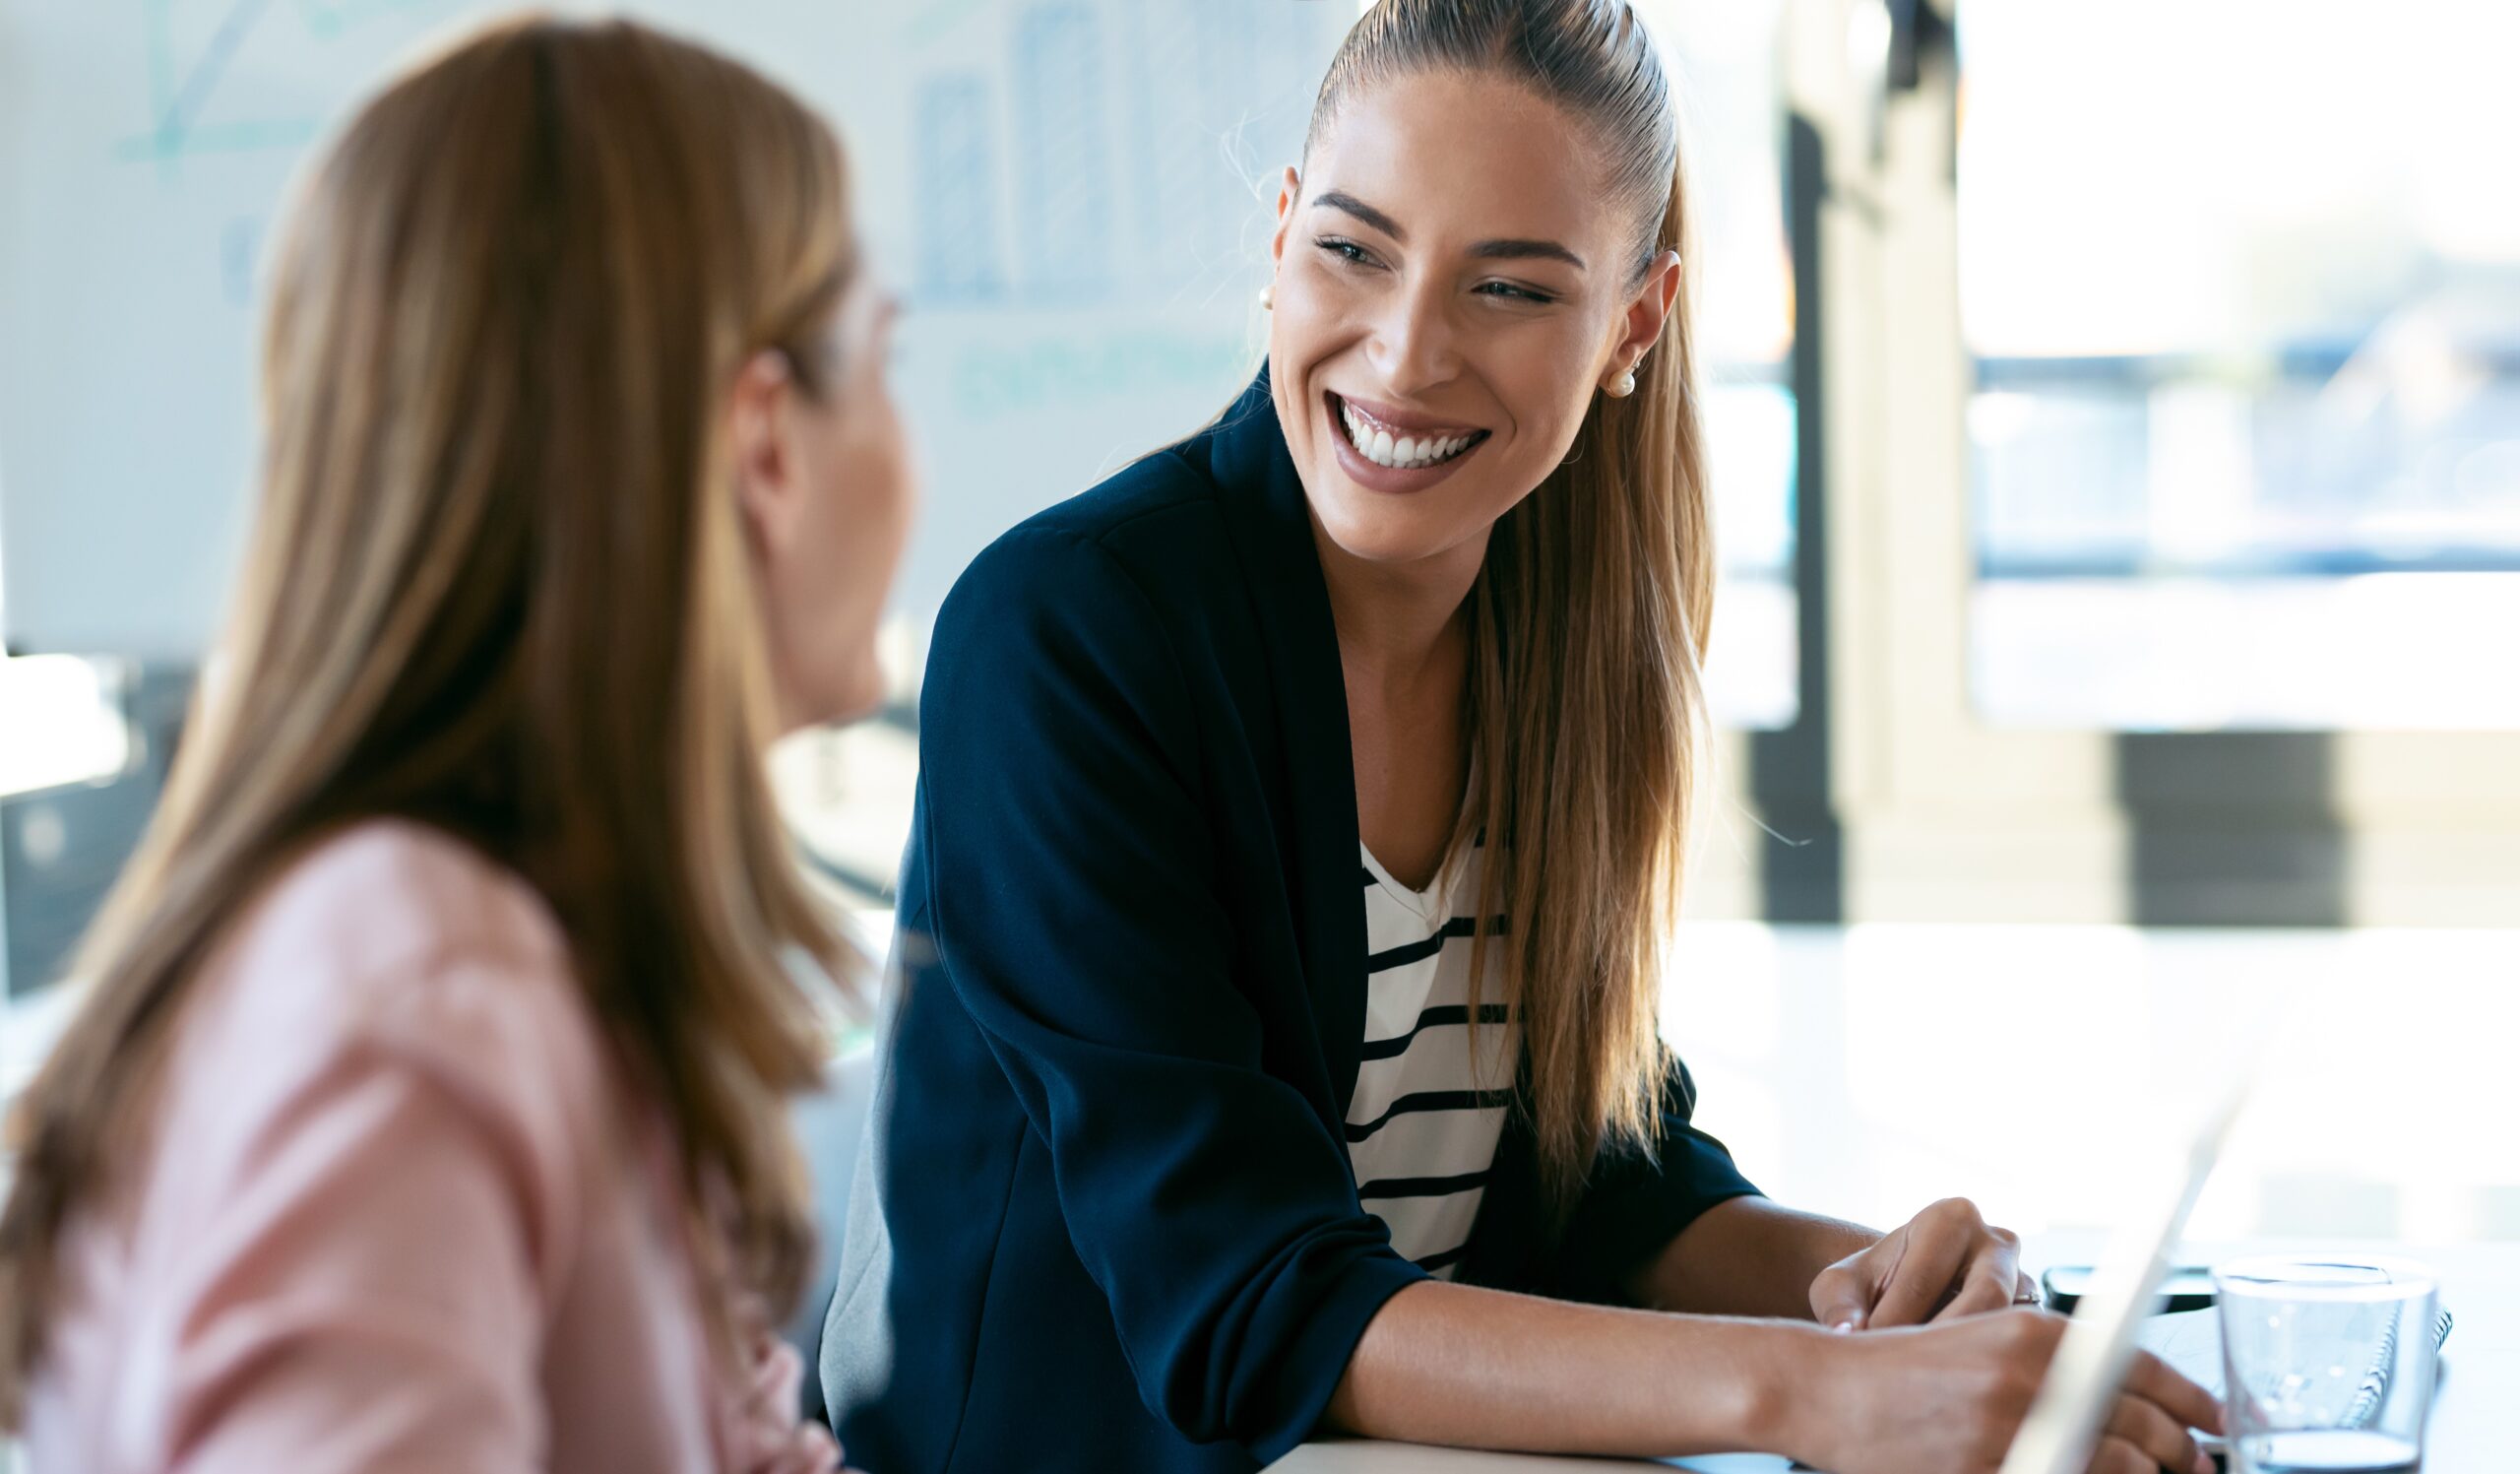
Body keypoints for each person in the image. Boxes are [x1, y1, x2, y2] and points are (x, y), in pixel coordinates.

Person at [824, 3, 2218, 1473]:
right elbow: (1245, 1306)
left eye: (1509, 289)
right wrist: (1821, 1392)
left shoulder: (1551, 646)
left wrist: (1907, 1302)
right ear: (1281, 233)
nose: (1408, 351)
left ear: (1635, 323)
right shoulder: (1069, 634)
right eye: (1354, 249)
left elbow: (1599, 1191)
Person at [0, 16, 913, 1472]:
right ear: (765, 447)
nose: (906, 450)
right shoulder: (419, 985)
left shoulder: (544, 956)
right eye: (882, 362)